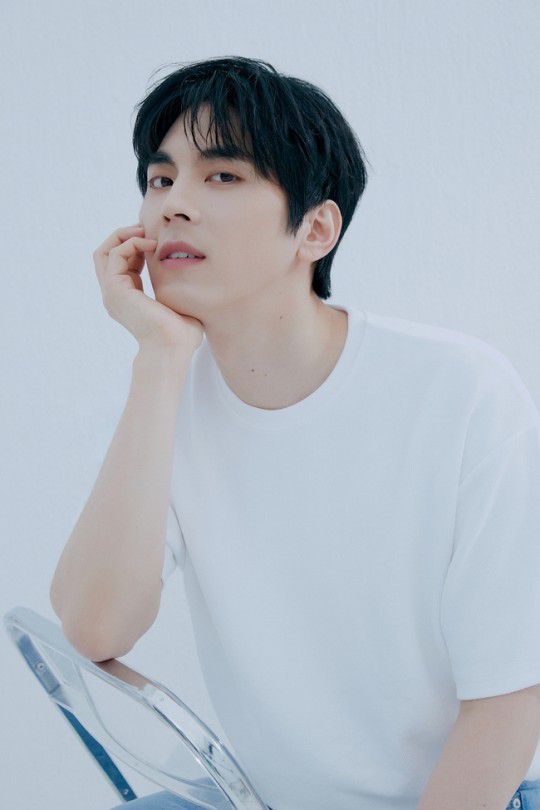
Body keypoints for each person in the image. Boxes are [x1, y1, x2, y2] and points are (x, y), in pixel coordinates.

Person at [50, 56, 540, 810]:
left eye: (222, 175)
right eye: (159, 178)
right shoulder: (171, 394)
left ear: (315, 228)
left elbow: (510, 697)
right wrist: (158, 356)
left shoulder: (460, 390)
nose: (173, 205)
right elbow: (92, 629)